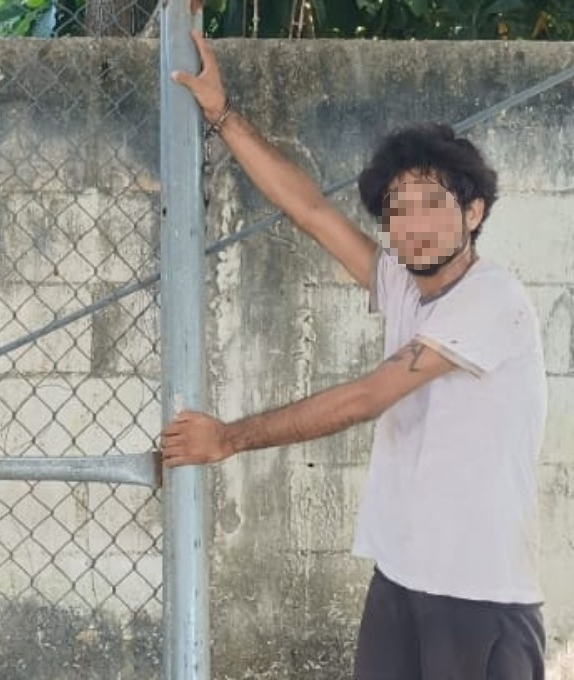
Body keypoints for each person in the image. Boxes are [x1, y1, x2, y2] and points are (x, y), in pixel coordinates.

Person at [159, 31, 547, 680]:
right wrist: (220, 114)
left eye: (433, 205)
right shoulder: (399, 282)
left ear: (473, 212)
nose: (413, 225)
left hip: (481, 596)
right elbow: (309, 210)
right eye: (398, 209)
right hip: (400, 579)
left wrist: (228, 438)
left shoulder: (491, 299)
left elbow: (369, 396)